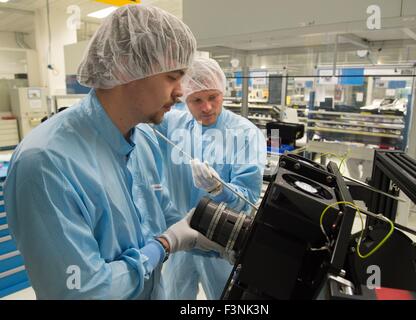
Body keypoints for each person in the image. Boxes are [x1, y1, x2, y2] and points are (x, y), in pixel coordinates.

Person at [4, 5, 226, 300]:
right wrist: (163, 245)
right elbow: (81, 291)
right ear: (126, 68)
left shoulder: (144, 138)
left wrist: (210, 234)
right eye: (173, 77)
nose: (181, 92)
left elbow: (162, 214)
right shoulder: (46, 164)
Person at [154, 56, 267, 299]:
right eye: (196, 100)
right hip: (180, 240)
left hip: (220, 246)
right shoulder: (172, 125)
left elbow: (247, 199)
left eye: (213, 97)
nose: (206, 107)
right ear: (184, 98)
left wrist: (219, 189)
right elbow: (141, 119)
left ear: (222, 93)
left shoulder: (245, 134)